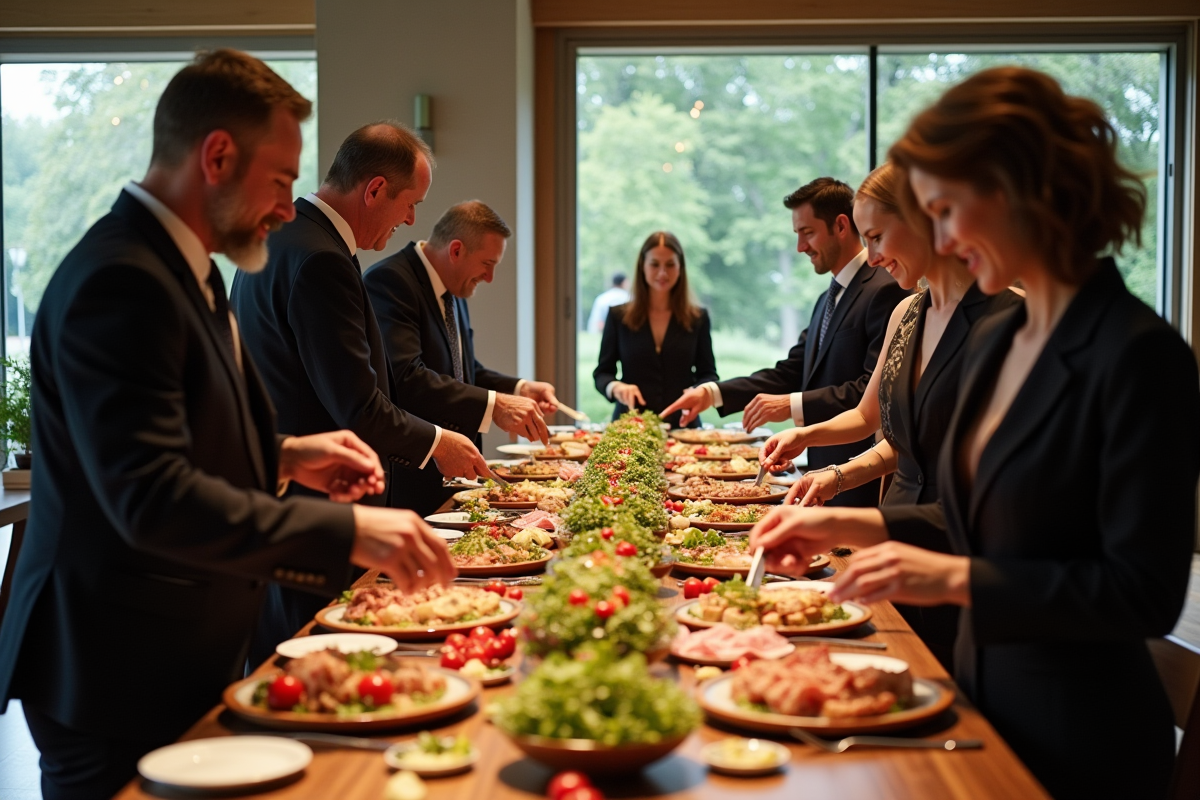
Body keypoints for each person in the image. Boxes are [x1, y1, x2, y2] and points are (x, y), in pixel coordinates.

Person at [0, 50, 456, 800]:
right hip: (114, 661)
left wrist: (285, 456)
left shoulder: (188, 268)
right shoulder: (122, 279)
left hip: (169, 647)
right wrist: (346, 531)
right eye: (279, 181)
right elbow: (150, 495)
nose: (286, 207)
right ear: (216, 157)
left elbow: (169, 437)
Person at [751, 67, 1200, 800]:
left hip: (1078, 735)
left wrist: (951, 577)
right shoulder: (1001, 339)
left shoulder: (1138, 353)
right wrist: (848, 524)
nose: (945, 236)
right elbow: (976, 522)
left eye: (949, 210)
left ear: (1020, 190)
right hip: (980, 700)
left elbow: (1143, 593)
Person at [229, 122, 491, 662]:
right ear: (374, 190)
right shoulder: (321, 257)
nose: (411, 221)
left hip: (282, 503)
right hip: (318, 507)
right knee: (315, 661)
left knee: (292, 659)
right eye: (410, 204)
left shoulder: (283, 237)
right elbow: (357, 404)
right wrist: (438, 441)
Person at [755, 161, 1021, 667]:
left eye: (876, 237)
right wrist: (832, 473)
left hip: (959, 550)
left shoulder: (1009, 319)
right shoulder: (906, 312)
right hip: (892, 535)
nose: (872, 257)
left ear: (924, 218)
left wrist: (839, 520)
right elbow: (884, 427)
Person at [663, 178, 909, 505]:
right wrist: (713, 393)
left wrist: (791, 406)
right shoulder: (828, 297)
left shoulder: (886, 287)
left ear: (840, 226)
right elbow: (791, 371)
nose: (800, 247)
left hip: (857, 475)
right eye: (797, 235)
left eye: (807, 232)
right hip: (821, 471)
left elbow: (870, 391)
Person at [363, 200, 560, 514]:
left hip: (454, 478)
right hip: (412, 478)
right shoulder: (390, 281)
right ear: (456, 250)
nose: (490, 277)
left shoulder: (453, 285)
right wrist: (495, 406)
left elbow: (463, 371)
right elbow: (407, 376)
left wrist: (518, 388)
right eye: (487, 263)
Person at [592, 231, 717, 428]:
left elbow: (708, 374)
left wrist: (699, 390)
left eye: (670, 265)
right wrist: (615, 387)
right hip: (630, 427)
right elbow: (602, 373)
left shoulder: (698, 318)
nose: (662, 273)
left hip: (684, 427)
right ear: (642, 266)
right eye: (655, 264)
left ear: (680, 267)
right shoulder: (618, 316)